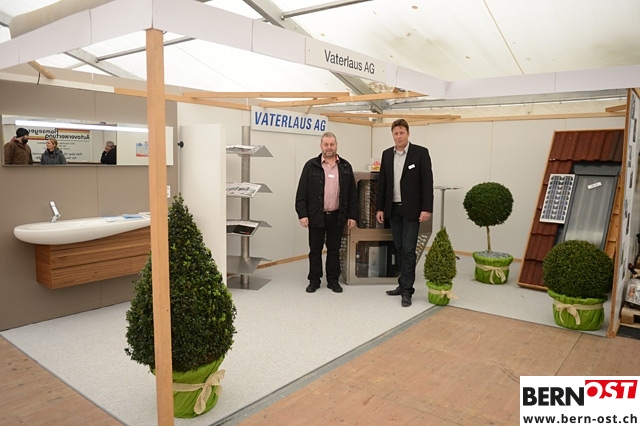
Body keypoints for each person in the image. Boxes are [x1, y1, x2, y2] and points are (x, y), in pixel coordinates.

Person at [375, 119, 433, 307]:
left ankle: (407, 291)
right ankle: (402, 284)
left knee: (408, 250)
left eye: (402, 133)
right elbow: (383, 183)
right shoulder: (387, 154)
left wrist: (426, 208)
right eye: (396, 133)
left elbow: (427, 183)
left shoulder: (420, 153)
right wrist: (380, 208)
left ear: (408, 133)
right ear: (392, 135)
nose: (399, 136)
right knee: (399, 248)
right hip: (393, 209)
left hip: (412, 211)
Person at [295, 131, 358, 293]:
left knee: (334, 250)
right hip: (316, 215)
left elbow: (352, 194)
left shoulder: (345, 166)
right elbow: (301, 192)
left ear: (336, 145)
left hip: (337, 216)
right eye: (326, 144)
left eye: (332, 144)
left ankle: (333, 280)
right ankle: (314, 280)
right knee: (315, 250)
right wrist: (302, 214)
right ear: (321, 146)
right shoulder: (310, 166)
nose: (329, 147)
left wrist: (352, 215)